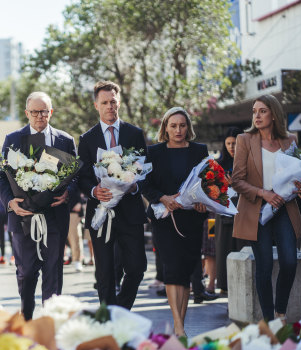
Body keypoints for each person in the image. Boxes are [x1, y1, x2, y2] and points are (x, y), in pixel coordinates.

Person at [0, 91, 77, 320]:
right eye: (35, 112)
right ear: (27, 113)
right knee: (27, 272)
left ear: (51, 112)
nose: (40, 116)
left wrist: (68, 194)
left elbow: (76, 174)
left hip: (54, 216)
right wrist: (10, 202)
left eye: (44, 111)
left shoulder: (65, 140)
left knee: (53, 272)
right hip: (23, 216)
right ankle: (27, 319)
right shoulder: (13, 139)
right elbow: (2, 177)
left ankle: (51, 324)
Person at [232, 94, 301, 322]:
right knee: (263, 267)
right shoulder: (244, 139)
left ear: (273, 114)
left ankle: (280, 312)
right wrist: (264, 193)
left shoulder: (290, 140)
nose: (257, 115)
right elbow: (237, 180)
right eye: (254, 111)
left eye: (262, 111)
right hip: (256, 210)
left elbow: (298, 175)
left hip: (285, 207)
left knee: (289, 262)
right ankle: (268, 320)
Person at [78, 81, 147, 309]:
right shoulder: (87, 139)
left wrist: (135, 186)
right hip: (101, 213)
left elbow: (144, 168)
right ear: (96, 105)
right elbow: (83, 176)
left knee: (137, 268)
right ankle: (108, 318)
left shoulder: (135, 134)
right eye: (105, 102)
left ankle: (121, 310)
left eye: (113, 102)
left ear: (119, 103)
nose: (110, 106)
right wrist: (94, 191)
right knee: (105, 273)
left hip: (131, 212)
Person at [143, 107, 208, 337]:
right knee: (172, 269)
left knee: (186, 270)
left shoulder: (200, 150)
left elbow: (207, 184)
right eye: (173, 126)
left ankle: (180, 325)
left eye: (182, 125)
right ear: (165, 128)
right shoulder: (154, 152)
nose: (178, 130)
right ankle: (178, 326)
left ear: (188, 127)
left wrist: (204, 202)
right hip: (165, 219)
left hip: (191, 218)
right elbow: (145, 184)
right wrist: (163, 198)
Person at [215, 127, 246, 294]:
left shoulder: (247, 162)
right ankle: (226, 288)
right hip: (224, 212)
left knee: (242, 250)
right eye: (228, 143)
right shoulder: (219, 164)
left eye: (235, 143)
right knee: (224, 251)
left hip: (243, 212)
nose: (231, 147)